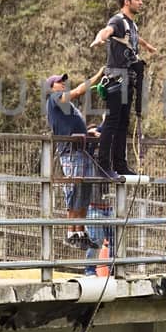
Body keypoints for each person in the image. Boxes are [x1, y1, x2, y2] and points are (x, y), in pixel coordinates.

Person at [90, 0, 159, 178]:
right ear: (127, 2)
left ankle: (120, 165)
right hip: (116, 79)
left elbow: (136, 39)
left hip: (128, 80)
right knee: (112, 123)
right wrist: (99, 39)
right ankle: (104, 165)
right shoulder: (118, 21)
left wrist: (148, 47)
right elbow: (107, 31)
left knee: (122, 123)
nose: (141, 2)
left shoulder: (131, 25)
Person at [45, 72, 102, 251]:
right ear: (51, 87)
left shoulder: (68, 106)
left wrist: (88, 133)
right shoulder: (54, 99)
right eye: (58, 81)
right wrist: (98, 75)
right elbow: (78, 91)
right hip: (69, 152)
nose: (63, 83)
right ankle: (71, 233)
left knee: (84, 190)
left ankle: (81, 232)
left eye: (63, 81)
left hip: (81, 150)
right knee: (73, 190)